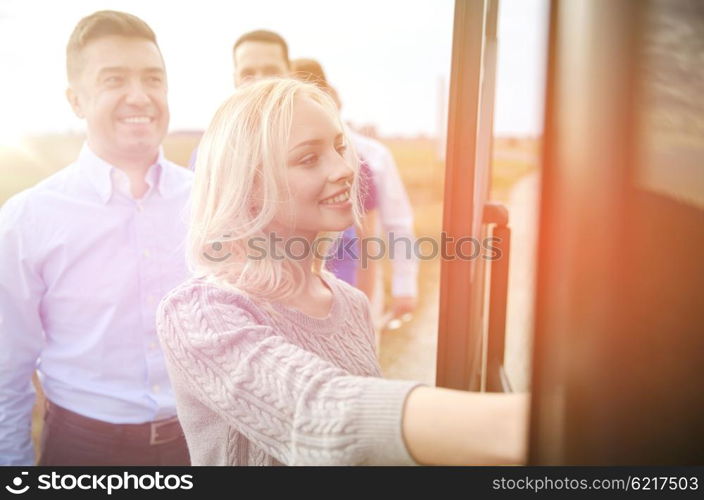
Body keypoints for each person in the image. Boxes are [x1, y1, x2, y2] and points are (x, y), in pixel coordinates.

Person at [156, 78, 528, 466]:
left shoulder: (351, 304)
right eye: (308, 158)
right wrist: (531, 425)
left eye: (339, 147)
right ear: (250, 186)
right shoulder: (198, 312)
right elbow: (319, 413)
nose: (345, 169)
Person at [0, 10, 193, 465]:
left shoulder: (210, 202)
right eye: (114, 80)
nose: (140, 96)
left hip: (200, 443)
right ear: (76, 100)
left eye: (153, 79)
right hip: (83, 451)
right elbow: (7, 370)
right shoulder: (28, 219)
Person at [290, 57, 419, 325]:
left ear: (328, 96)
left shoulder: (371, 157)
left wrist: (404, 287)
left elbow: (396, 225)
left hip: (357, 276)